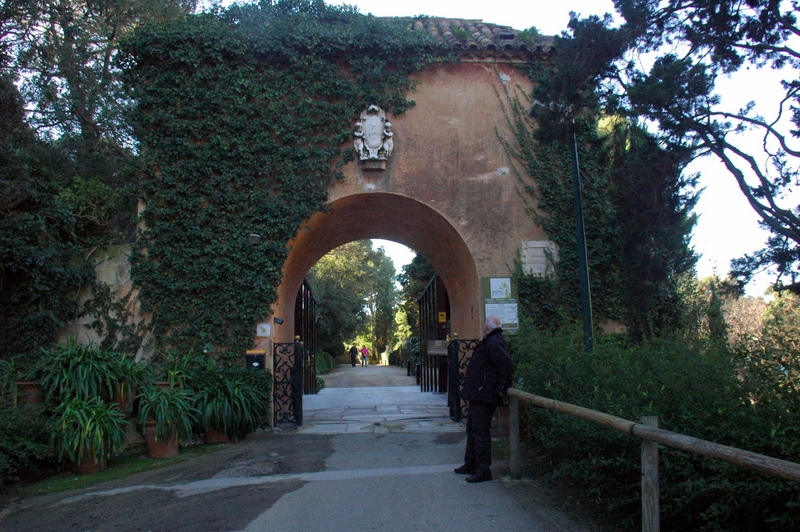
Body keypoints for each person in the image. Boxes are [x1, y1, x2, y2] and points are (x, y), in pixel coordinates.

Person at [455, 315, 513, 483]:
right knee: (473, 429)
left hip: (485, 394)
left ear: (487, 328)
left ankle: (483, 469)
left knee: (480, 432)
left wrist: (502, 387)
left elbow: (505, 363)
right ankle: (471, 463)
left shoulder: (493, 342)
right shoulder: (491, 341)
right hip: (480, 393)